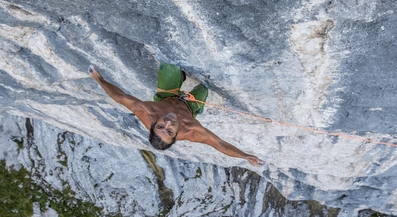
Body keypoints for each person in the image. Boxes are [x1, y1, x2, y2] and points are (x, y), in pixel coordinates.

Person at [88, 63, 265, 167]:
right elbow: (219, 144)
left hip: (167, 97)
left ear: (153, 124)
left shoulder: (146, 112)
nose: (168, 123)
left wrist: (99, 79)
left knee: (169, 66)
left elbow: (119, 97)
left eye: (160, 126)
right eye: (170, 131)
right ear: (176, 136)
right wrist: (245, 156)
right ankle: (193, 97)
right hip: (190, 106)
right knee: (204, 87)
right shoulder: (192, 131)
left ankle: (178, 77)